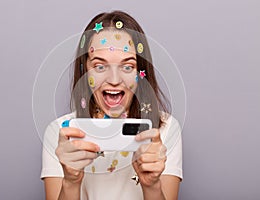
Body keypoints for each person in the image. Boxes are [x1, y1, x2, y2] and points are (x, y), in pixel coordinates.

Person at [41, 10, 182, 200]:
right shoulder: (62, 133)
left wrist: (152, 185)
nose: (114, 80)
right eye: (100, 66)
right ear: (85, 71)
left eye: (127, 66)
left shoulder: (164, 130)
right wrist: (71, 181)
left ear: (140, 73)